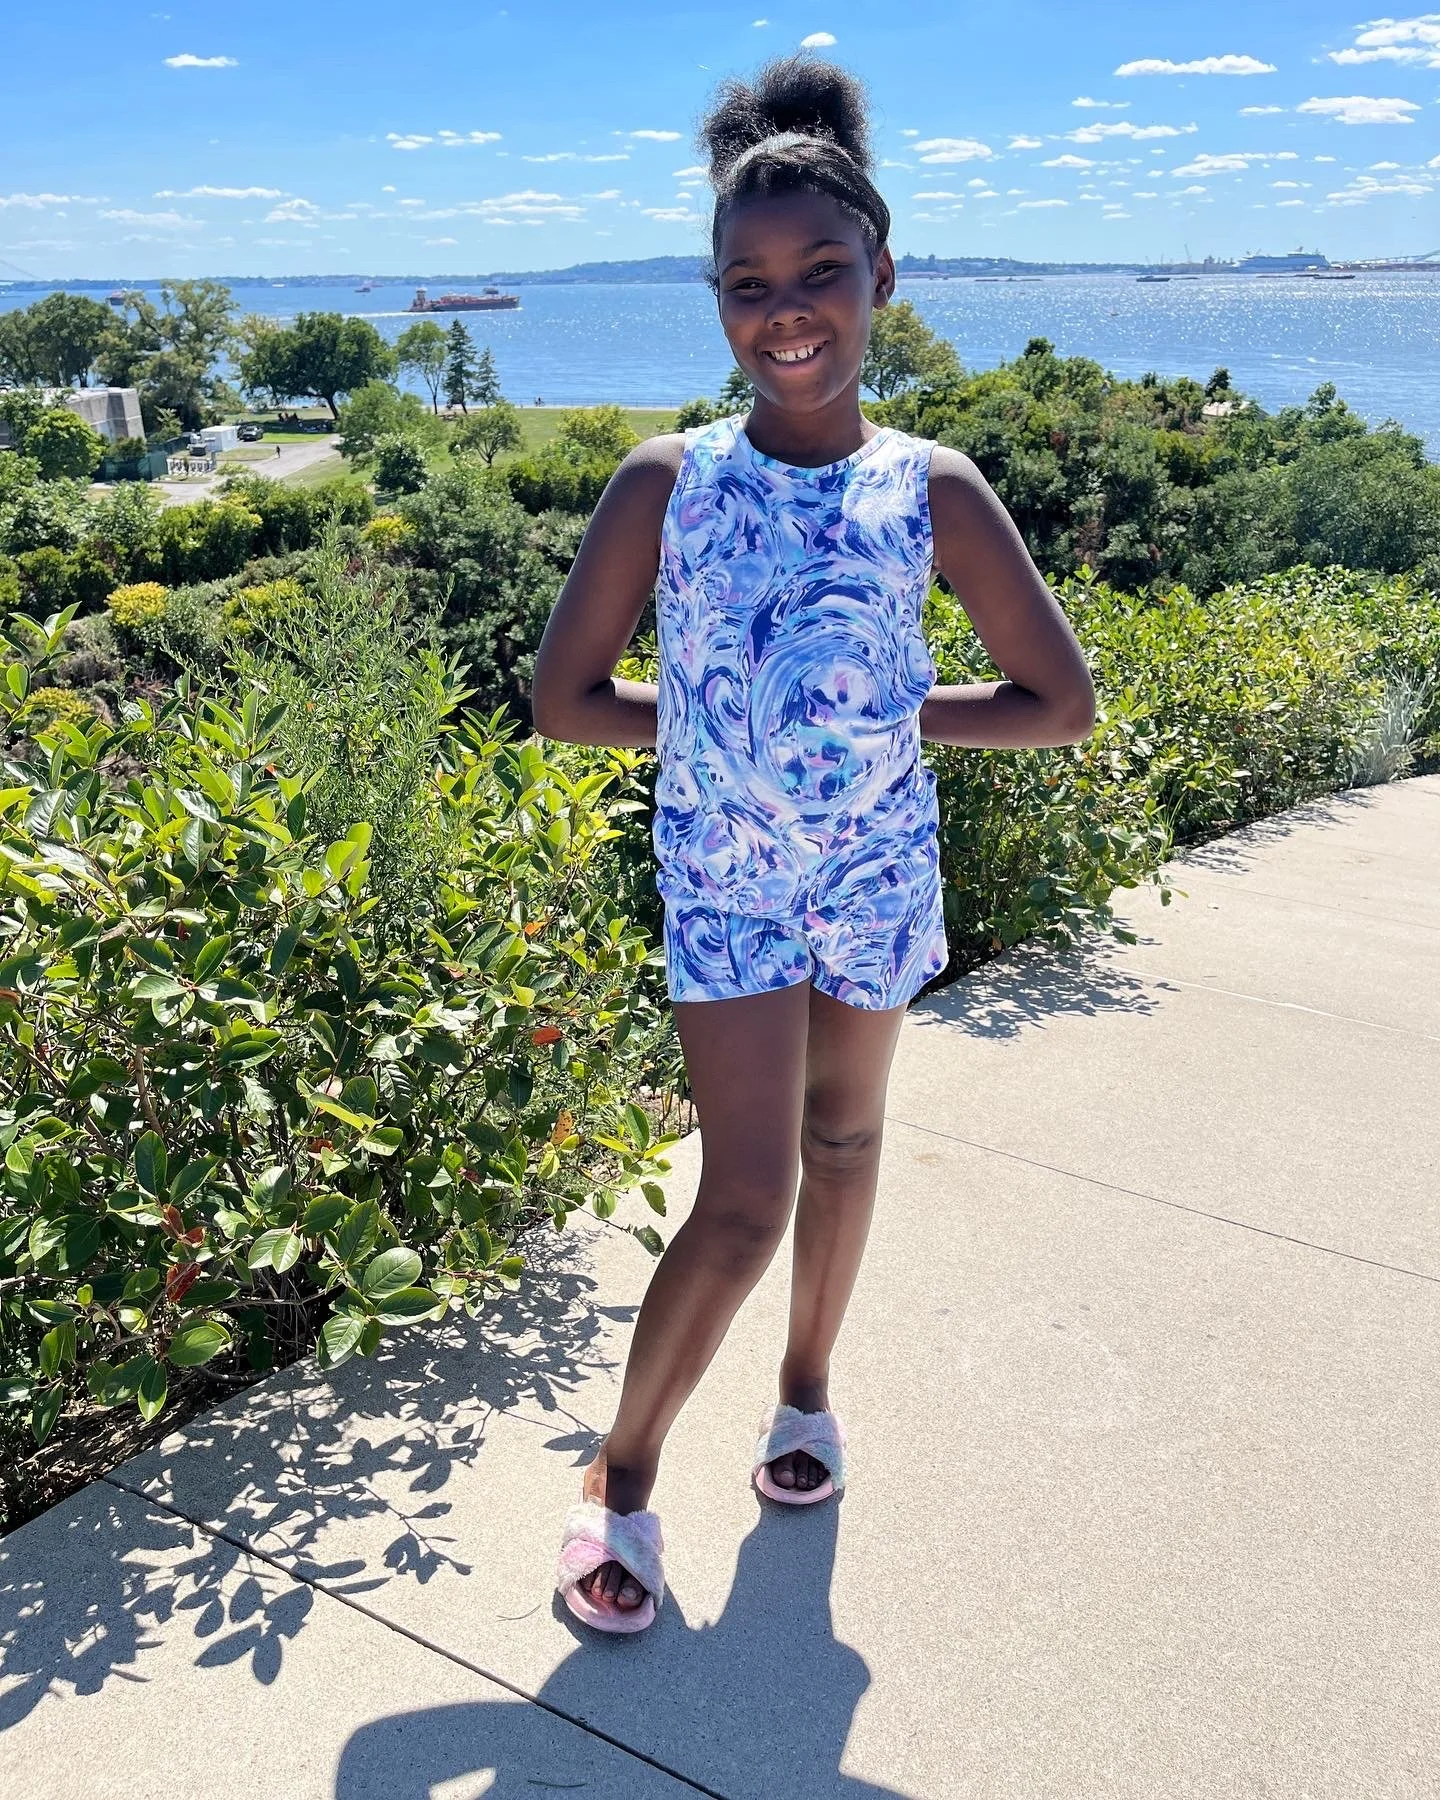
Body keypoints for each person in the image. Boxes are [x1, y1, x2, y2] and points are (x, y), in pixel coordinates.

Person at [531, 54, 1096, 1635]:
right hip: (725, 879)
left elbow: (1058, 701)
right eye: (748, 283)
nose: (787, 310)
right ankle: (618, 1484)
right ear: (718, 301)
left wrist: (882, 718)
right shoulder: (669, 483)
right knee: (747, 1194)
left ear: (882, 280)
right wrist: (735, 727)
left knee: (848, 1148)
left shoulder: (934, 490)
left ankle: (804, 1400)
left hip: (873, 871)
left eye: (820, 274)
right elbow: (567, 701)